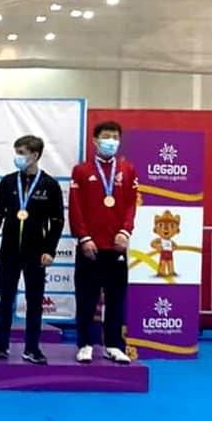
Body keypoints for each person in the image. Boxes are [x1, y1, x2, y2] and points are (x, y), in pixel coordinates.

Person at [0, 135, 64, 364]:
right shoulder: (8, 181)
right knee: (5, 299)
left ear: (35, 156)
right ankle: (1, 345)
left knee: (34, 300)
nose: (17, 157)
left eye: (22, 153)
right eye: (16, 152)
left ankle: (32, 348)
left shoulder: (50, 185)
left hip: (36, 252)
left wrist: (50, 250)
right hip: (9, 250)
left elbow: (57, 221)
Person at [69, 120, 138, 364]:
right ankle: (85, 343)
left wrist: (125, 232)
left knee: (116, 298)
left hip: (116, 245)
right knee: (86, 298)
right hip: (90, 247)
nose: (111, 141)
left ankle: (114, 345)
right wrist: (83, 237)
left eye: (115, 137)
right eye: (106, 137)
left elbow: (131, 204)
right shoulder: (81, 170)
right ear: (95, 141)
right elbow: (75, 207)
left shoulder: (128, 169)